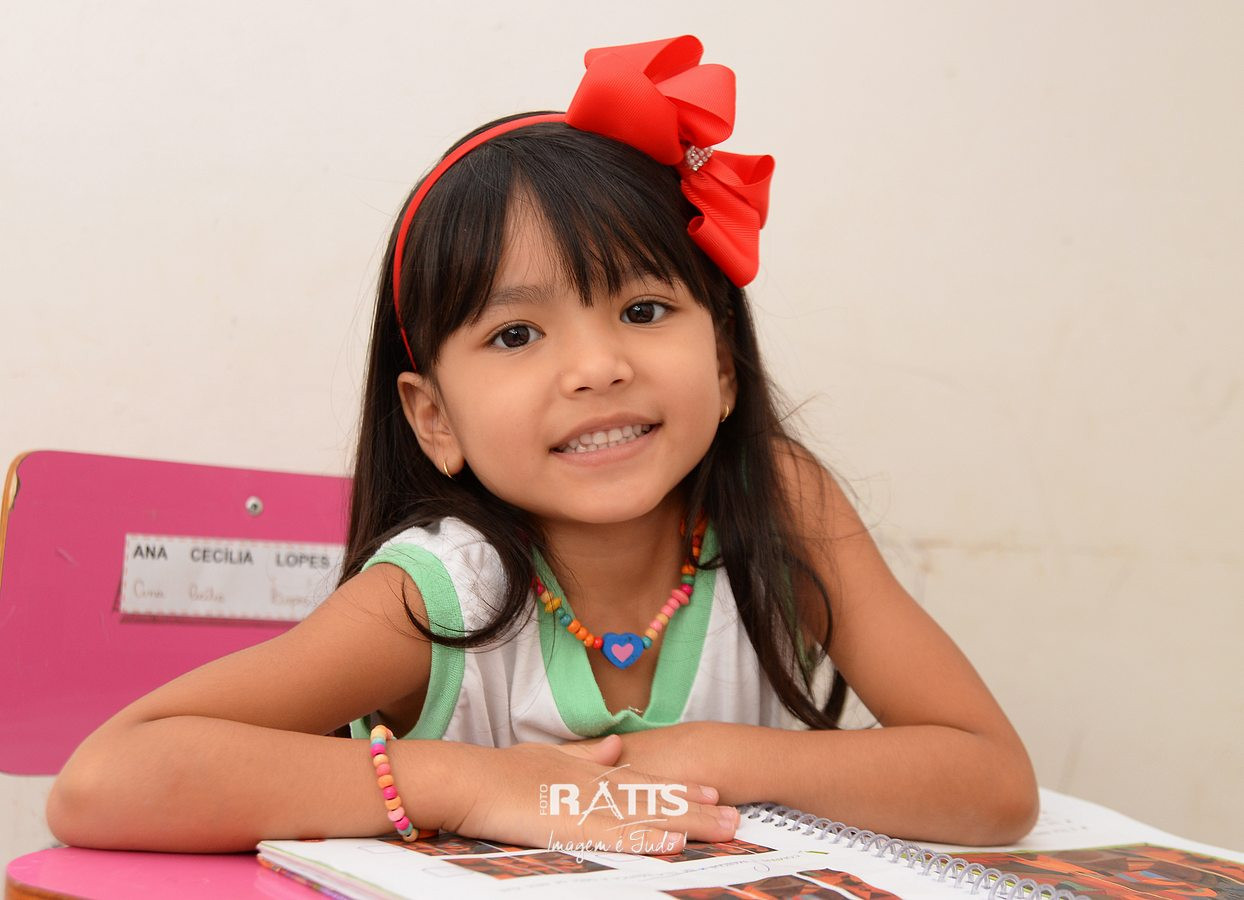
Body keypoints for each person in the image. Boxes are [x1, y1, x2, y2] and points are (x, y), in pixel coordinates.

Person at [47, 35, 1038, 855]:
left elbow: (992, 783)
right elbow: (104, 782)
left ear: (724, 365)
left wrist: (704, 757)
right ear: (434, 419)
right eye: (517, 334)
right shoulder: (442, 595)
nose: (597, 367)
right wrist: (471, 782)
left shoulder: (780, 506)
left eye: (643, 309)